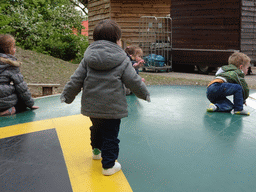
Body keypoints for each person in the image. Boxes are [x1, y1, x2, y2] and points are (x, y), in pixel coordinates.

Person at [61, 19, 150, 176]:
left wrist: (67, 96)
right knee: (110, 135)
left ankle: (96, 151)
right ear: (117, 40)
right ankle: (108, 166)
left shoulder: (88, 58)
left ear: (95, 39)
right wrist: (144, 94)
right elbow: (133, 81)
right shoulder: (122, 59)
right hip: (112, 107)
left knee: (97, 128)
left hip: (92, 106)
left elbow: (76, 79)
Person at [0, 34, 38, 116]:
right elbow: (21, 87)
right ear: (9, 49)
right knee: (22, 103)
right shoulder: (11, 64)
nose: (15, 49)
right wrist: (30, 104)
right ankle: (10, 110)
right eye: (14, 47)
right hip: (3, 103)